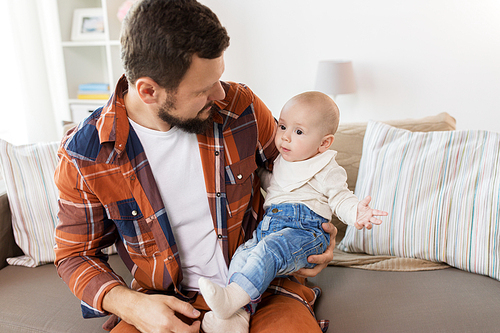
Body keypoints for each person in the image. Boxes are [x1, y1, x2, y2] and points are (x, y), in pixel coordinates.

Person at [53, 1, 337, 332]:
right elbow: (74, 255)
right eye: (203, 89)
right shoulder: (84, 154)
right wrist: (130, 305)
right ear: (148, 91)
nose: (220, 93)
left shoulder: (238, 108)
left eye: (218, 78)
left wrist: (318, 237)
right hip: (163, 300)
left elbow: (304, 173)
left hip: (265, 288)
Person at [198, 91, 388, 330]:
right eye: (283, 126)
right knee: (244, 254)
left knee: (270, 249)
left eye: (298, 132)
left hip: (306, 231)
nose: (285, 137)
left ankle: (231, 299)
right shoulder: (282, 161)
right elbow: (273, 184)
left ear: (324, 143)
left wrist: (356, 213)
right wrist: (252, 171)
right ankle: (237, 316)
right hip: (270, 228)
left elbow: (340, 198)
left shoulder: (326, 167)